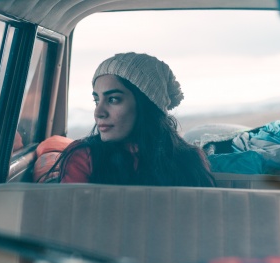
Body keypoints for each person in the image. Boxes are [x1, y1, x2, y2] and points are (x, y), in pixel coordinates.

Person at [41, 52, 215, 186]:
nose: (98, 112)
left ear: (146, 105)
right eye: (96, 100)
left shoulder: (189, 158)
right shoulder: (85, 156)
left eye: (113, 99)